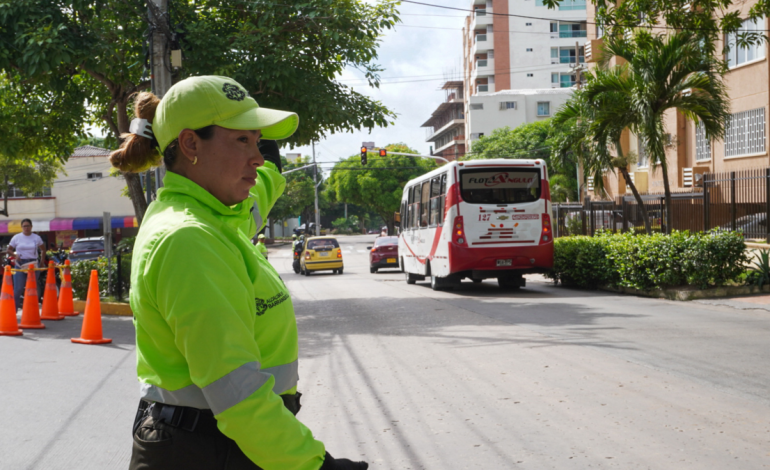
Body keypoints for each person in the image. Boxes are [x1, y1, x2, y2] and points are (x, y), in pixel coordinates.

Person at [110, 76, 368, 470]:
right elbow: (239, 395)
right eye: (242, 141)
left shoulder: (222, 218)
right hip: (206, 450)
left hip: (225, 443)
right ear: (191, 144)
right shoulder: (190, 239)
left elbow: (267, 176)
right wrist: (318, 466)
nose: (258, 157)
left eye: (258, 141)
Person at [6, 219, 45, 310]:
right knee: (18, 289)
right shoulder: (16, 237)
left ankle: (31, 310)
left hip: (33, 265)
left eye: (28, 226)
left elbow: (43, 249)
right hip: (20, 264)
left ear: (31, 227)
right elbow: (9, 249)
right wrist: (14, 255)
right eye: (24, 226)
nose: (26, 228)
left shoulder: (36, 237)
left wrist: (42, 263)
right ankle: (13, 311)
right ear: (21, 227)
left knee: (31, 288)